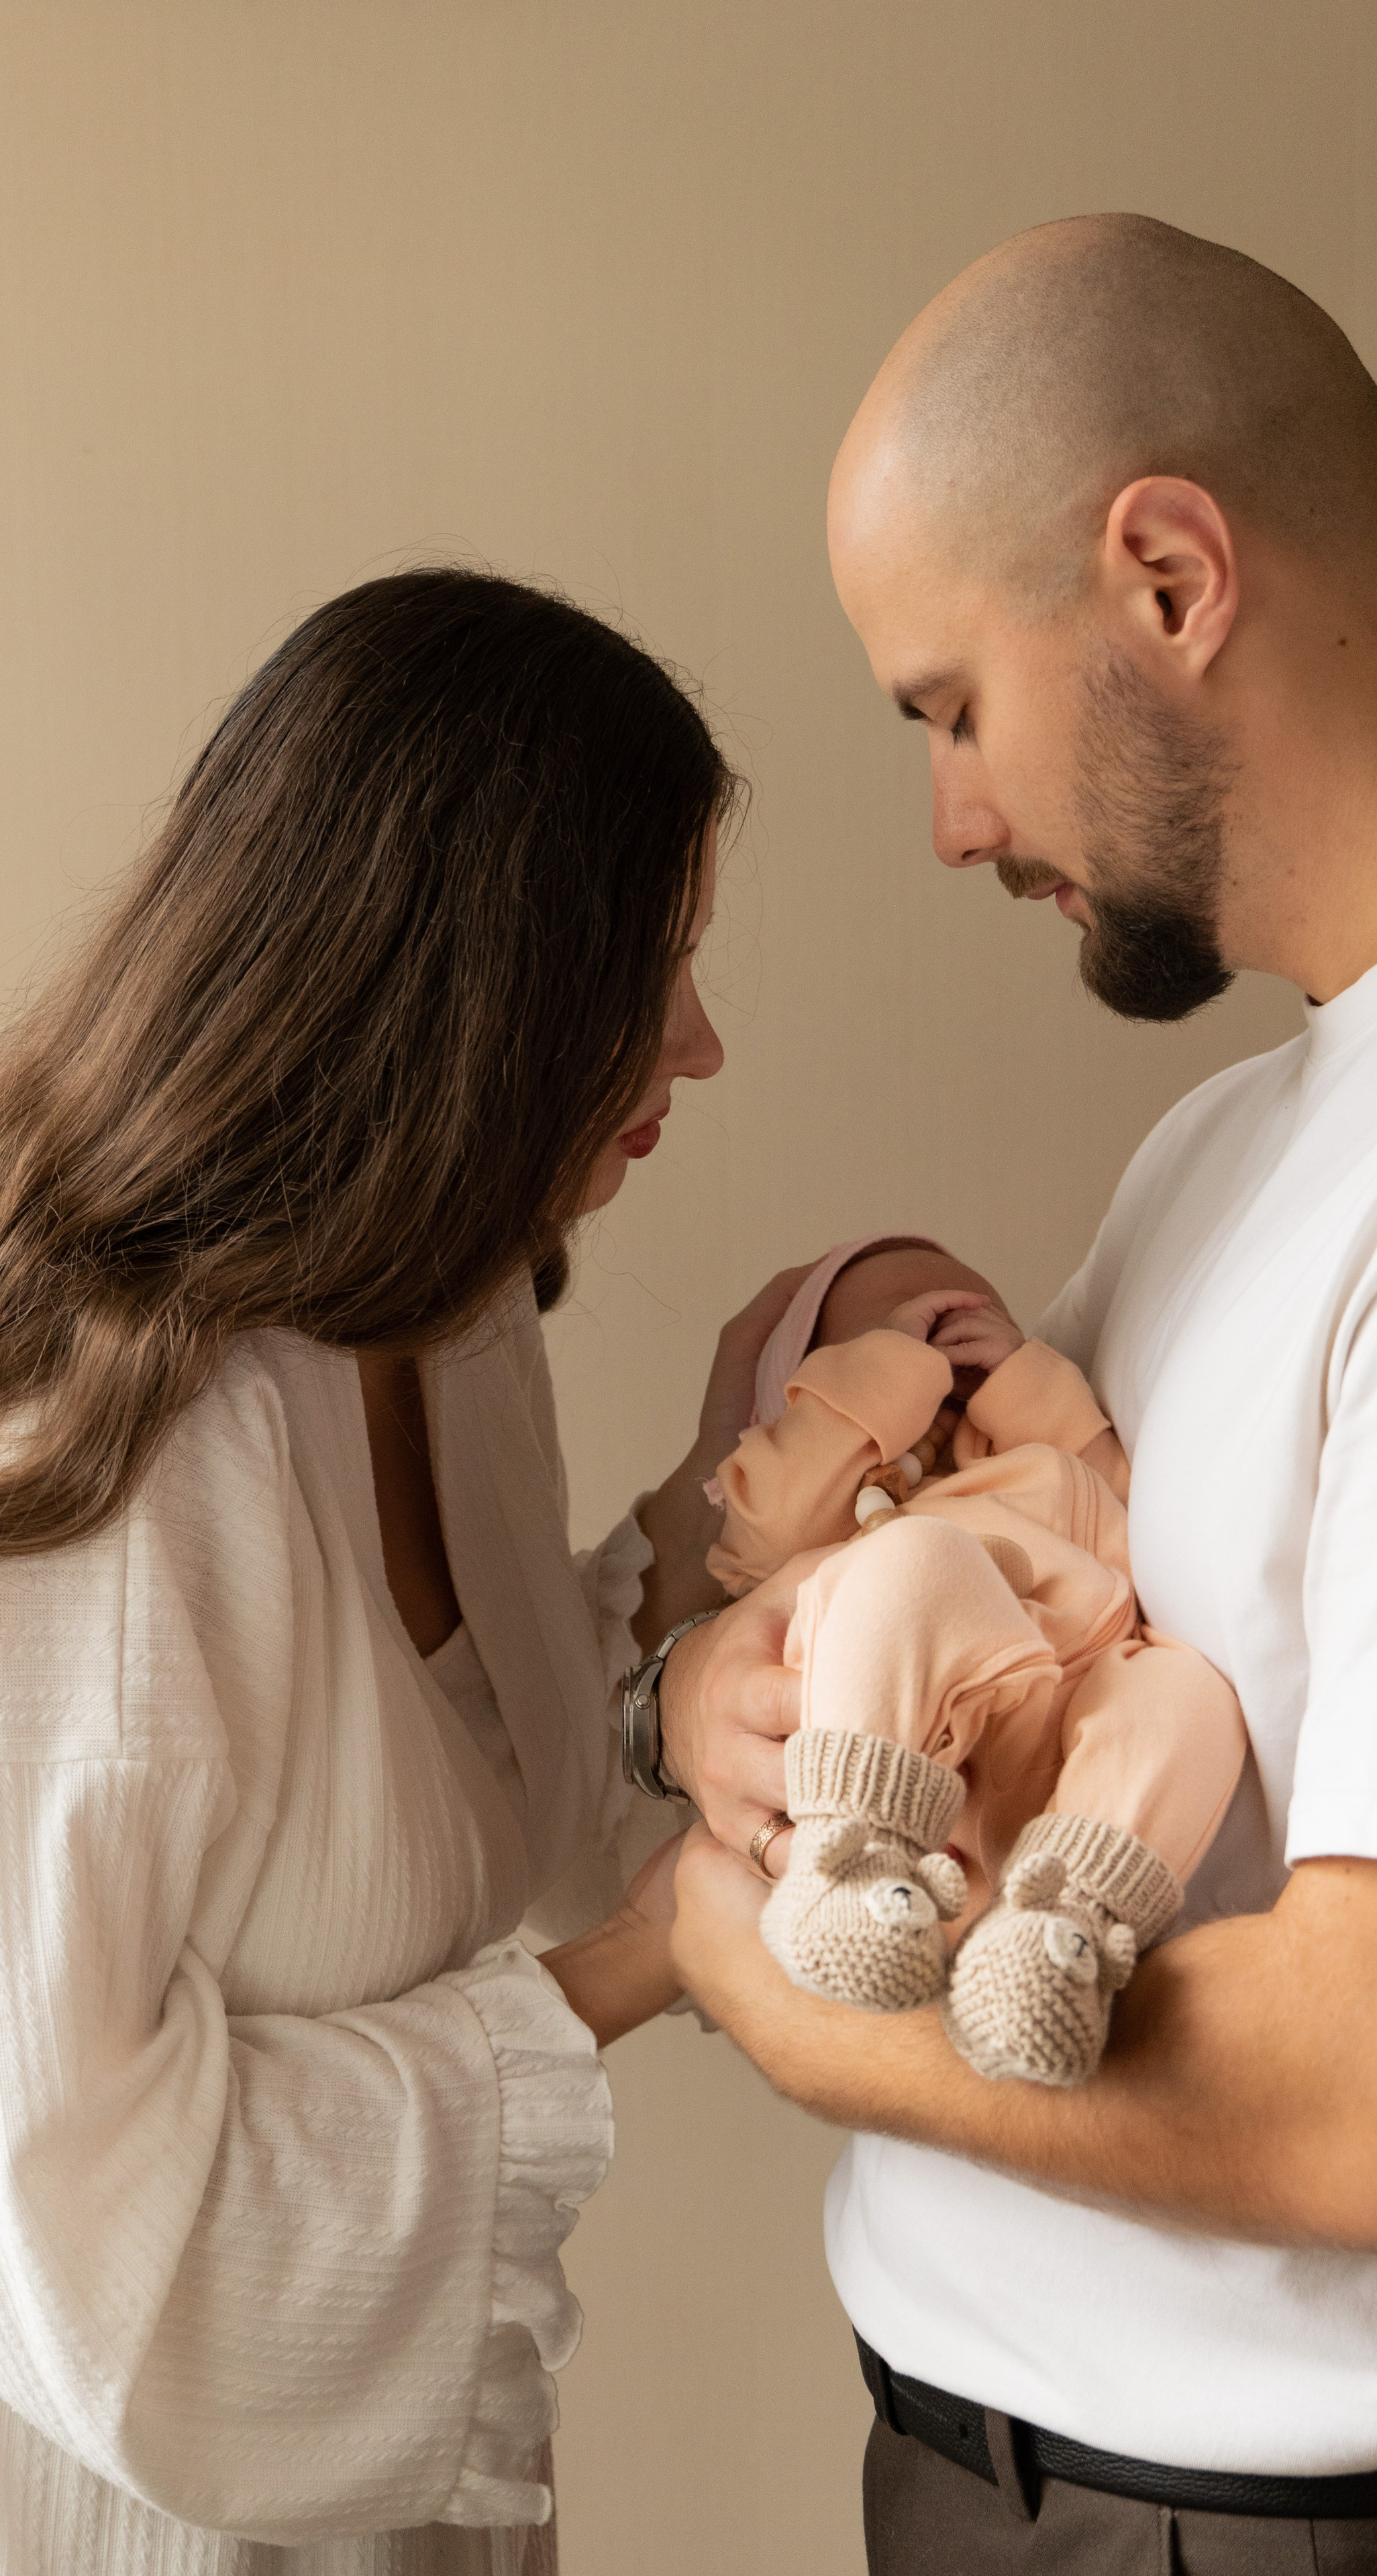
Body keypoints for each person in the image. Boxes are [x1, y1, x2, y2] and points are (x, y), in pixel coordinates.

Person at [661, 215, 1377, 2571]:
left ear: (1163, 577)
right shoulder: (1247, 1134)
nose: (951, 820)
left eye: (947, 708)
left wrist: (770, 1987)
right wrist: (755, 1692)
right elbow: (1061, 1651)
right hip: (1004, 2492)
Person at [0, 568, 788, 2575]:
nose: (698, 1041)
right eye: (648, 962)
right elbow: (94, 2244)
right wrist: (646, 1967)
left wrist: (732, 1482)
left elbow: (521, 1786)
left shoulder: (445, 1319)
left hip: (399, 2509)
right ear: (473, 978)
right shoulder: (107, 1461)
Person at [705, 1233, 1246, 2087]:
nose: (939, 1337)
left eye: (968, 1315)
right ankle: (854, 1864)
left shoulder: (1038, 1464)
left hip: (1063, 1726)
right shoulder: (844, 1507)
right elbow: (759, 1527)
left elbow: (1138, 1513)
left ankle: (1054, 1932)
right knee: (919, 1559)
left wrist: (1031, 1389)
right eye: (881, 1331)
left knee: (1190, 1691)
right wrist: (887, 1374)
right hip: (918, 1741)